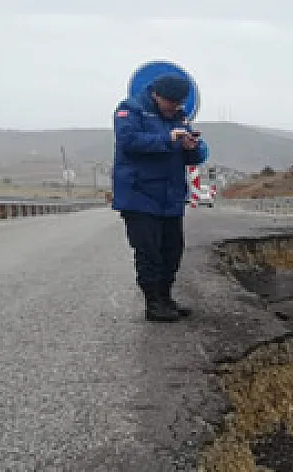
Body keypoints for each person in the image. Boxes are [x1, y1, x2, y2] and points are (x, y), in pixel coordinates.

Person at [111, 73, 209, 322]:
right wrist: (167, 138)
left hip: (170, 197)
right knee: (149, 252)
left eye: (179, 103)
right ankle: (153, 303)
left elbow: (194, 157)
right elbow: (129, 141)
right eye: (171, 103)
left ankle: (166, 298)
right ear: (156, 95)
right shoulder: (130, 110)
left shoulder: (179, 118)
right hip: (139, 196)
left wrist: (193, 147)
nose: (175, 107)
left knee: (172, 251)